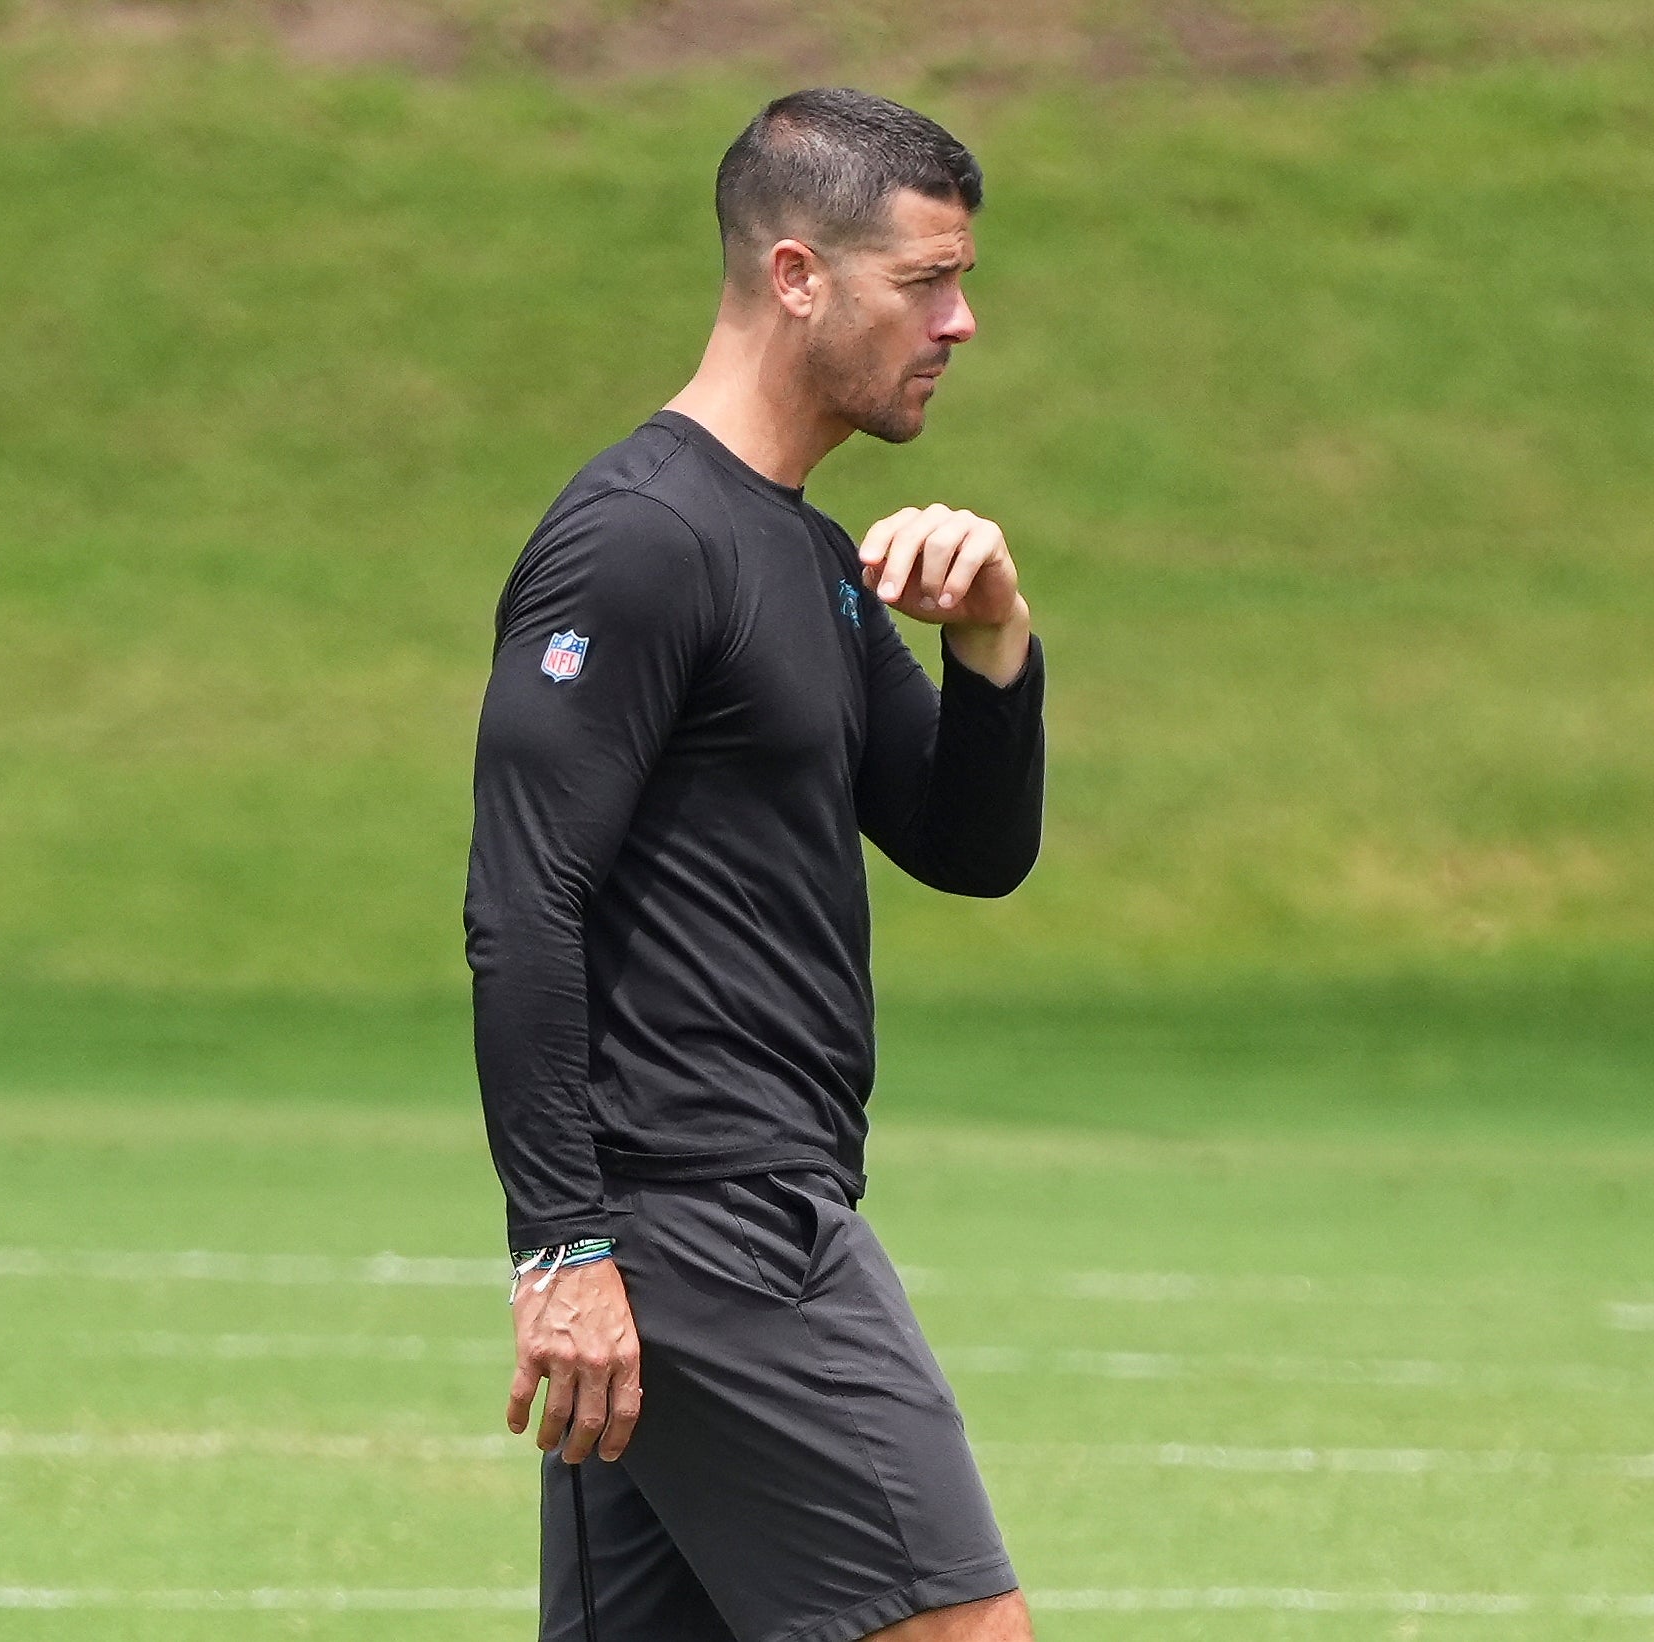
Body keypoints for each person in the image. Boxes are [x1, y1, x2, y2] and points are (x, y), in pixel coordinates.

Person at [465, 86, 1047, 1642]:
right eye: (924, 282)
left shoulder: (802, 552)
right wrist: (566, 1243)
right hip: (707, 1223)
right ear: (797, 276)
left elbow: (965, 845)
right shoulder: (638, 539)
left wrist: (993, 638)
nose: (961, 321)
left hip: (723, 1214)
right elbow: (522, 902)